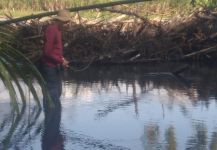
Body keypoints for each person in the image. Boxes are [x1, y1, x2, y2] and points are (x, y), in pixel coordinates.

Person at [41, 9, 70, 110]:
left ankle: (54, 120)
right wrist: (61, 60)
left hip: (55, 66)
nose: (66, 24)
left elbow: (55, 50)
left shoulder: (58, 30)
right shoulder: (52, 30)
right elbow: (47, 51)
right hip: (50, 67)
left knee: (57, 92)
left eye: (67, 22)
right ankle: (51, 118)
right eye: (65, 22)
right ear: (59, 20)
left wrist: (62, 58)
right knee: (53, 93)